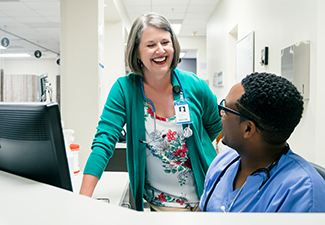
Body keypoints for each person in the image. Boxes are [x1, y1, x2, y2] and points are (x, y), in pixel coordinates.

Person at [79, 12, 222, 211]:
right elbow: (104, 142)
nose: (160, 50)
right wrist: (81, 201)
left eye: (165, 42)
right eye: (151, 44)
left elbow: (217, 129)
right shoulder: (124, 89)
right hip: (159, 206)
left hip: (207, 199)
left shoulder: (195, 85)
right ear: (137, 52)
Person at [199, 72, 325, 212]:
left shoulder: (303, 192)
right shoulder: (224, 161)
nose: (220, 115)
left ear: (248, 129)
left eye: (225, 110)